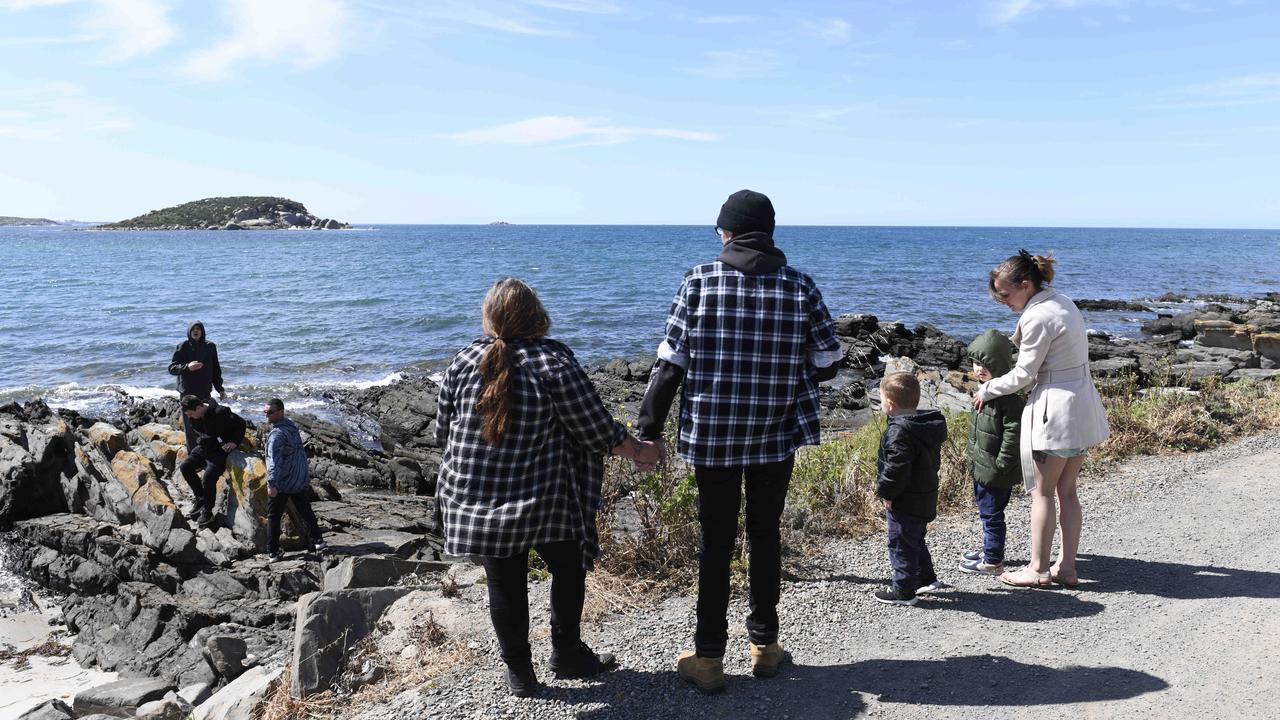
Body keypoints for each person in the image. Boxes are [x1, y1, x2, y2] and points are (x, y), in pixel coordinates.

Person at [636, 189, 843, 693]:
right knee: (765, 535)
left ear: (728, 232)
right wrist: (785, 374)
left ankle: (708, 658)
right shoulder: (801, 286)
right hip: (775, 435)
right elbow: (828, 362)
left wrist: (648, 431)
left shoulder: (700, 281)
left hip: (712, 437)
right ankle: (765, 646)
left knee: (716, 542)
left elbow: (671, 366)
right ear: (769, 233)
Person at [433, 278, 660, 698]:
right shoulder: (552, 363)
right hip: (546, 498)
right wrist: (641, 452)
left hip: (472, 498)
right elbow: (595, 429)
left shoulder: (464, 359)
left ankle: (520, 674)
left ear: (490, 317)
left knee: (505, 585)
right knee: (568, 569)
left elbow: (441, 433)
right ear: (537, 316)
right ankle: (567, 654)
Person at [973, 250, 1110, 588]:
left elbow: (1023, 374)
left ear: (1025, 284)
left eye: (1005, 294)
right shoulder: (1063, 302)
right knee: (1068, 491)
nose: (1002, 301)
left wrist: (987, 389)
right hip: (1080, 404)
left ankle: (1037, 569)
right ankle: (1065, 567)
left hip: (1054, 409)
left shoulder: (1037, 317)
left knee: (1043, 493)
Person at [873, 372, 948, 606]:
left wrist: (886, 493)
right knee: (915, 538)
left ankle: (904, 590)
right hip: (924, 493)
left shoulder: (899, 431)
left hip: (905, 498)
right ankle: (926, 578)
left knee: (901, 542)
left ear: (890, 404)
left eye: (881, 399)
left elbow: (896, 469)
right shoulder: (922, 425)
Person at [959, 330, 1024, 575]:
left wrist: (1002, 463)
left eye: (986, 364)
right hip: (982, 465)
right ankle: (990, 548)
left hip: (996, 469)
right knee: (987, 512)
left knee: (992, 514)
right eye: (976, 363)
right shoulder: (984, 390)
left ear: (999, 364)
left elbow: (1013, 435)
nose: (979, 369)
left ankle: (993, 560)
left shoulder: (1009, 399)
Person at [263, 398, 326, 562]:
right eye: (265, 412)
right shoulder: (291, 426)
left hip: (282, 482)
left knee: (273, 516)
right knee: (304, 509)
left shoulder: (276, 435)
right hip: (298, 478)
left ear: (280, 412)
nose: (266, 415)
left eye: (270, 412)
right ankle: (318, 540)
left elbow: (273, 462)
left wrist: (272, 483)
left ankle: (273, 552)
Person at [179, 395, 246, 528]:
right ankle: (200, 499)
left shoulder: (221, 412)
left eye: (191, 414)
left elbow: (241, 424)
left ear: (199, 407)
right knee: (185, 467)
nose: (190, 417)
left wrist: (234, 442)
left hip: (221, 450)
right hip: (204, 447)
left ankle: (208, 511)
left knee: (209, 476)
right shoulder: (194, 416)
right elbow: (200, 433)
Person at [168, 321, 226, 449]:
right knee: (190, 428)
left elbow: (216, 369)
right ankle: (193, 456)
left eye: (198, 328)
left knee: (207, 424)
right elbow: (172, 368)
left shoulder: (210, 346)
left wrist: (220, 388)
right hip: (187, 393)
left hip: (204, 392)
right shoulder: (182, 346)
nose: (196, 331)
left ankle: (208, 453)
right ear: (189, 331)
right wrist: (187, 367)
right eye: (193, 329)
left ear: (202, 331)